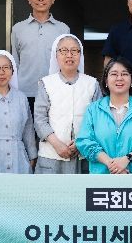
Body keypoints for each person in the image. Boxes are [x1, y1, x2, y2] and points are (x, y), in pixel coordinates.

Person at [76, 57, 132, 174]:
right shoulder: (93, 110)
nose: (119, 78)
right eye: (114, 74)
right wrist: (111, 164)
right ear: (106, 81)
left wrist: (128, 158)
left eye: (124, 74)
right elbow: (84, 142)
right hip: (101, 179)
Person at [34, 34, 102, 174]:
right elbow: (40, 119)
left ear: (80, 55)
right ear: (56, 55)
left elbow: (98, 120)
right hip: (51, 154)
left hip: (83, 154)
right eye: (63, 51)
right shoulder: (46, 83)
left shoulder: (92, 84)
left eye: (74, 51)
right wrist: (57, 144)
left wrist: (80, 143)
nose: (69, 55)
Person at [10, 0, 70, 115]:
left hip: (54, 92)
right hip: (24, 92)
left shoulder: (63, 29)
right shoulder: (18, 29)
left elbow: (67, 63)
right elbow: (15, 62)